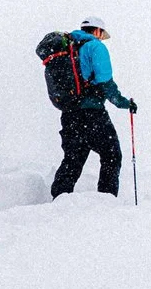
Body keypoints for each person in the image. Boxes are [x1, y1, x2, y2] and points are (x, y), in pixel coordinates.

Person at [52, 20, 138, 198]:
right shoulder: (95, 47)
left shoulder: (69, 48)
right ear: (97, 30)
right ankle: (106, 201)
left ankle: (58, 200)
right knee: (112, 155)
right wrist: (124, 103)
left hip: (69, 114)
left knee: (72, 160)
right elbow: (105, 82)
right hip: (92, 114)